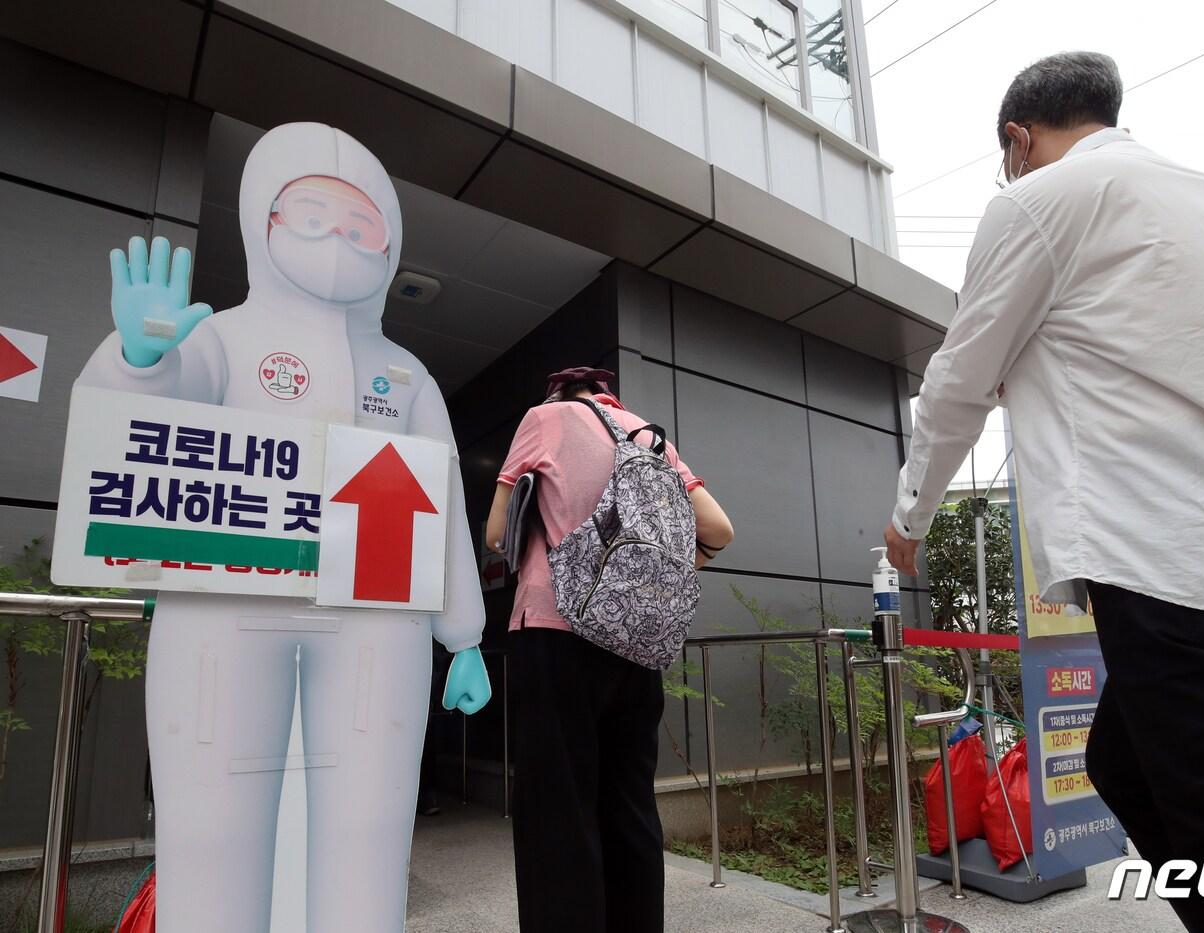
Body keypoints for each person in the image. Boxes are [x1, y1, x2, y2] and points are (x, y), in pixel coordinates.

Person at [883, 53, 1204, 930]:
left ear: (1018, 139)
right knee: (1127, 764)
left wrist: (912, 513)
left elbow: (959, 380)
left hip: (1174, 561)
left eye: (1007, 156)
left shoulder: (1037, 201)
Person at [78, 123, 491, 931]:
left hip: (377, 624)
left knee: (369, 830)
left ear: (390, 242)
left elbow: (442, 498)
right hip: (222, 613)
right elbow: (138, 430)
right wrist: (140, 359)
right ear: (260, 222)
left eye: (360, 224)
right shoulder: (218, 337)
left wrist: (463, 632)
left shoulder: (407, 376)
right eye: (309, 214)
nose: (337, 238)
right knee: (212, 828)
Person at [486, 367, 733, 933]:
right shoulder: (651, 439)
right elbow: (718, 529)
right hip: (635, 642)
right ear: (607, 395)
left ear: (556, 392)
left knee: (558, 810)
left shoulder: (542, 419)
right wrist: (636, 580)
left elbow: (498, 534)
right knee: (629, 806)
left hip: (554, 632)